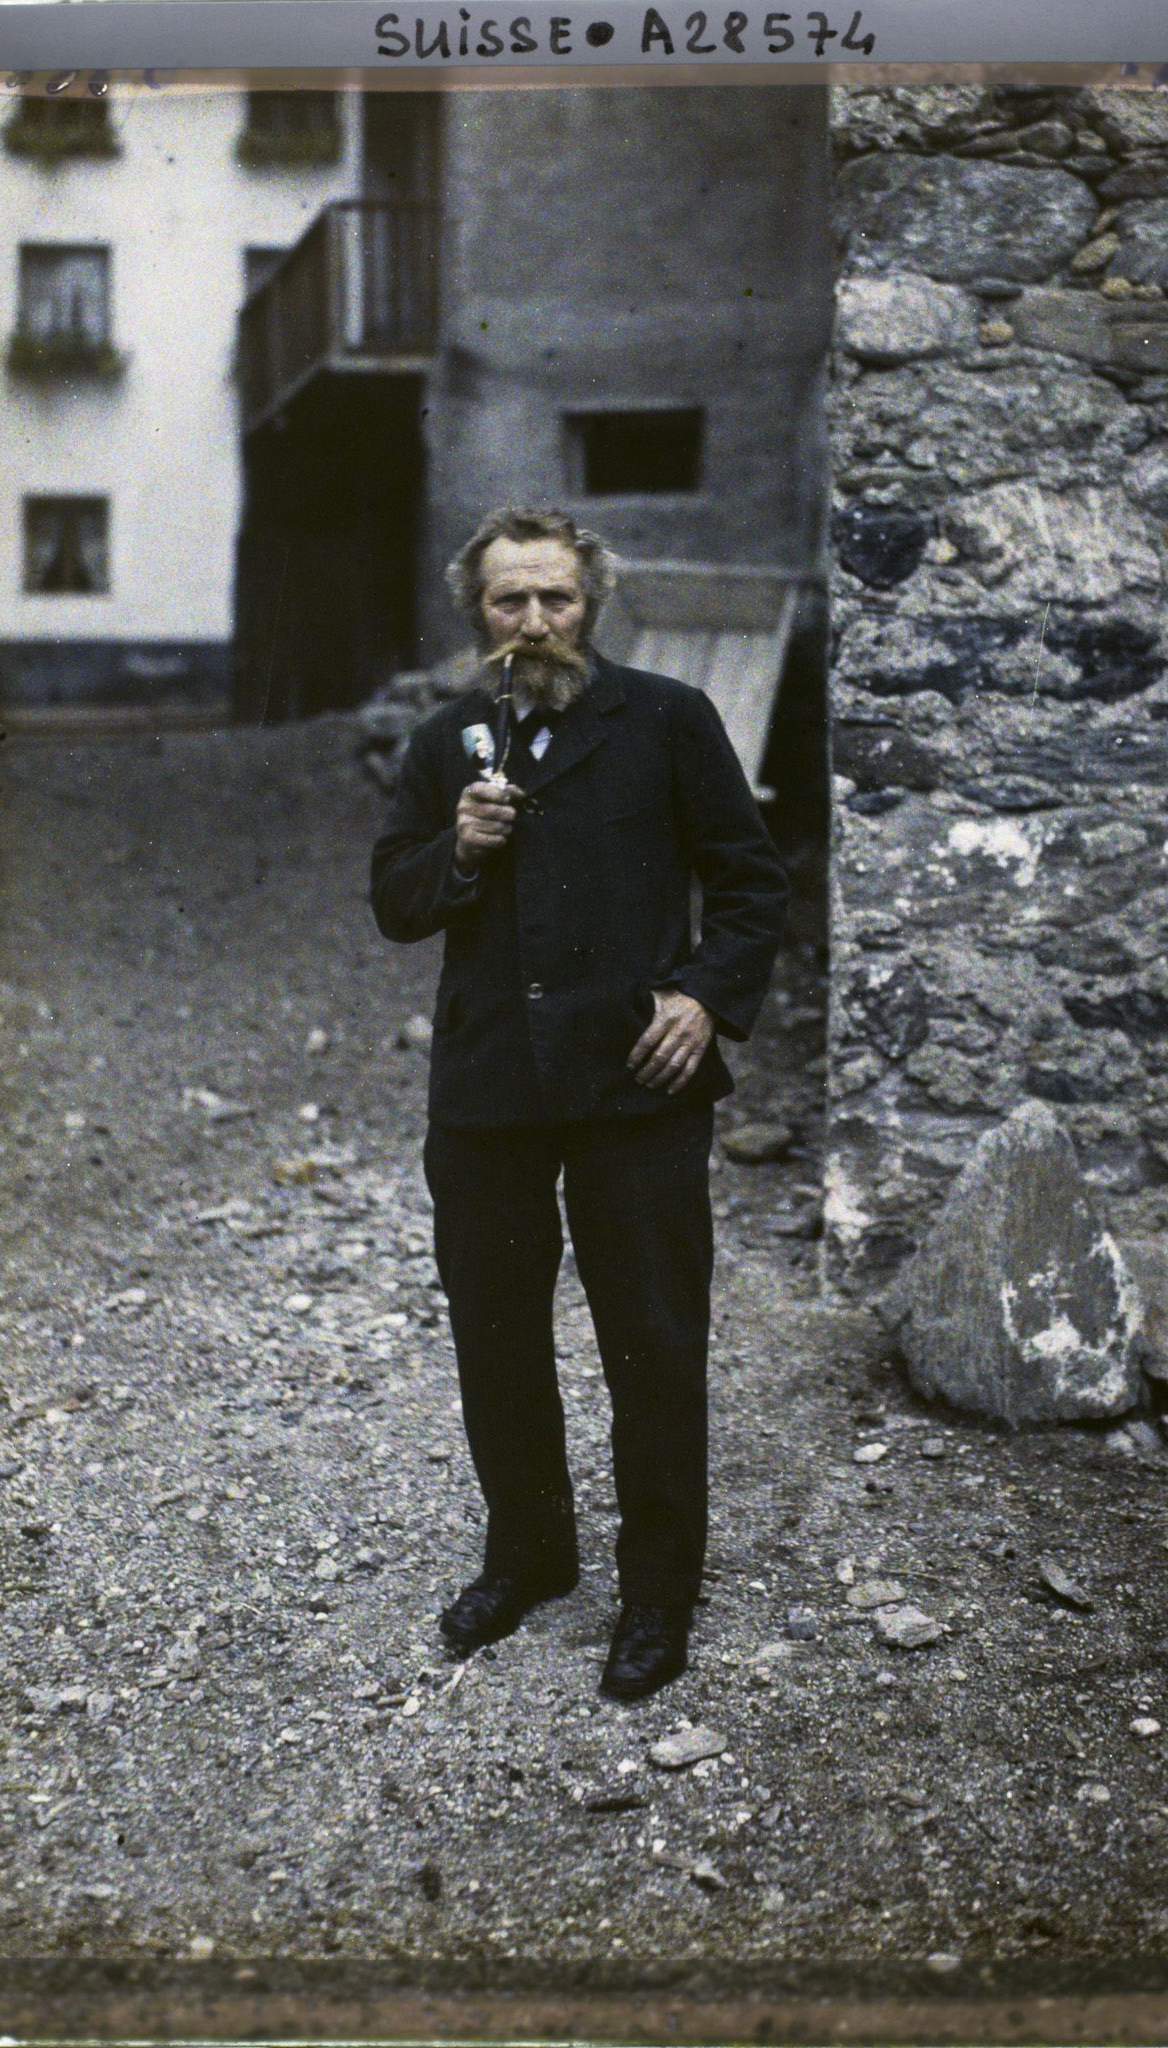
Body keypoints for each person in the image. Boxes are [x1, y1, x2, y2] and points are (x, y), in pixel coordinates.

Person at [369, 506, 788, 1701]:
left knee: (652, 1339)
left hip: (634, 1080)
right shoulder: (447, 741)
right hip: (490, 1086)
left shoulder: (666, 718)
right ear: (477, 611)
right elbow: (394, 900)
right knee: (496, 1334)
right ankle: (530, 1555)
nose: (535, 620)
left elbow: (751, 883)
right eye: (510, 599)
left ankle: (656, 1591)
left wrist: (703, 997)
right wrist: (457, 848)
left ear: (590, 602)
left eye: (555, 596)